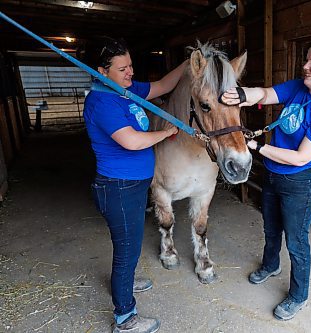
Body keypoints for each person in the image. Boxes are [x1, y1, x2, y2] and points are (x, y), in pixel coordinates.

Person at [220, 41, 311, 320]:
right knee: (271, 227)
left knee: (297, 241)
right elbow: (265, 93)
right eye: (307, 59)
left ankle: (298, 296)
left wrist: (257, 147)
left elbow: (301, 157)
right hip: (274, 176)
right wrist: (241, 94)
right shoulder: (298, 88)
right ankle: (270, 265)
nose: (306, 66)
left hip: (300, 183)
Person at [83, 38, 186, 333]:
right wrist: (165, 133)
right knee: (127, 251)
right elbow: (130, 140)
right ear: (103, 71)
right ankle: (125, 318)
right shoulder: (102, 100)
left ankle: (124, 284)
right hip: (117, 188)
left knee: (130, 247)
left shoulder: (126, 91)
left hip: (132, 186)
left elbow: (164, 86)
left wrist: (190, 61)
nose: (130, 72)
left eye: (130, 66)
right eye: (122, 68)